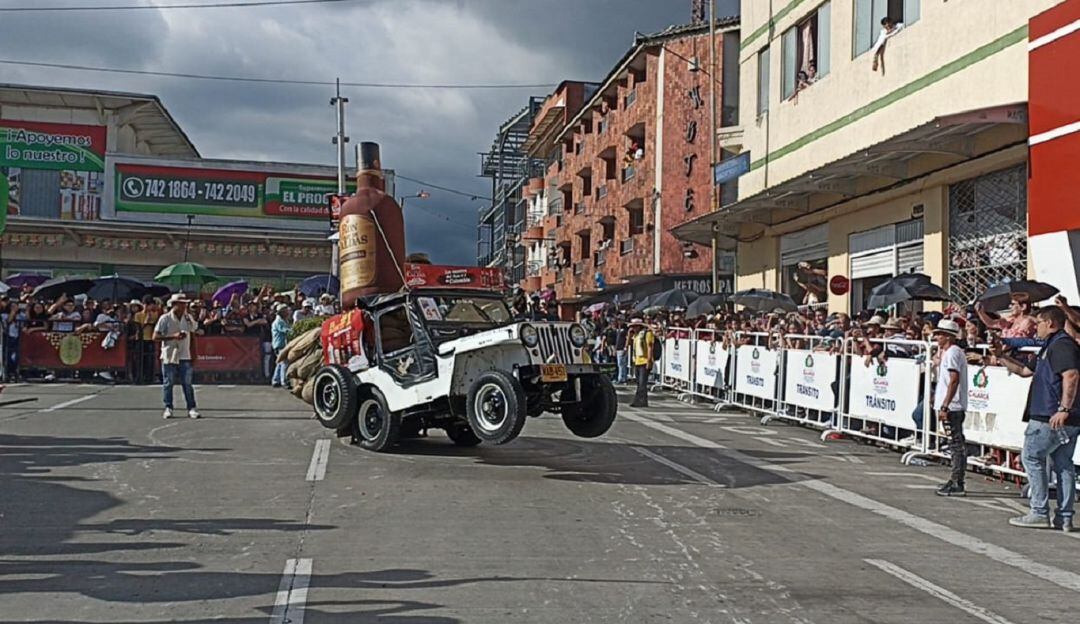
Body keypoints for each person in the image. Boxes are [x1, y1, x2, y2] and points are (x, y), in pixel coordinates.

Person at [992, 307, 1080, 532]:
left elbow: (1071, 375)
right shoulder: (1049, 346)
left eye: (1038, 322)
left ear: (1050, 323)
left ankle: (1040, 511)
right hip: (1060, 416)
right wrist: (1002, 356)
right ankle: (1064, 516)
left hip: (1050, 414)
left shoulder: (1061, 345)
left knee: (1032, 457)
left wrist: (1063, 408)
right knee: (1063, 464)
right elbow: (1024, 371)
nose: (1034, 327)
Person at [931, 319, 969, 497]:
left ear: (948, 336)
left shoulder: (953, 353)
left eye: (939, 334)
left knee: (955, 443)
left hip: (953, 406)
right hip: (950, 404)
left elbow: (954, 380)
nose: (936, 337)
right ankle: (955, 479)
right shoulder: (949, 352)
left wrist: (945, 404)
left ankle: (957, 481)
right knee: (954, 443)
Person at [154, 294, 202, 419]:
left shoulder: (188, 318)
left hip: (185, 354)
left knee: (187, 383)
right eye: (181, 303)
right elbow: (155, 336)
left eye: (184, 303)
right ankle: (168, 407)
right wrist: (173, 336)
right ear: (174, 304)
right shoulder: (165, 318)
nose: (184, 305)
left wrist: (194, 353)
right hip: (169, 354)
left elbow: (193, 335)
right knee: (168, 383)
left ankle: (191, 407)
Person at [629, 318, 654, 408]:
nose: (633, 328)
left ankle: (640, 401)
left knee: (642, 382)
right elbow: (629, 344)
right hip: (637, 361)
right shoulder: (636, 335)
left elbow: (650, 347)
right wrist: (629, 334)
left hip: (644, 361)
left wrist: (649, 360)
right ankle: (641, 400)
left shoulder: (647, 334)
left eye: (635, 326)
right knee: (639, 382)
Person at [270, 303, 292, 388]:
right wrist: (293, 330)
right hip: (280, 344)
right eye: (286, 311)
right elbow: (285, 330)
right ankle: (284, 381)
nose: (287, 312)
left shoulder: (283, 320)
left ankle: (275, 380)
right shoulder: (279, 321)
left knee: (279, 363)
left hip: (280, 344)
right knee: (284, 362)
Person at [614, 319, 630, 384]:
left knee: (622, 364)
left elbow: (627, 338)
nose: (619, 322)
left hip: (622, 348)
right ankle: (621, 377)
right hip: (618, 348)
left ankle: (622, 378)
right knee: (619, 364)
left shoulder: (625, 330)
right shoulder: (618, 330)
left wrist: (626, 347)